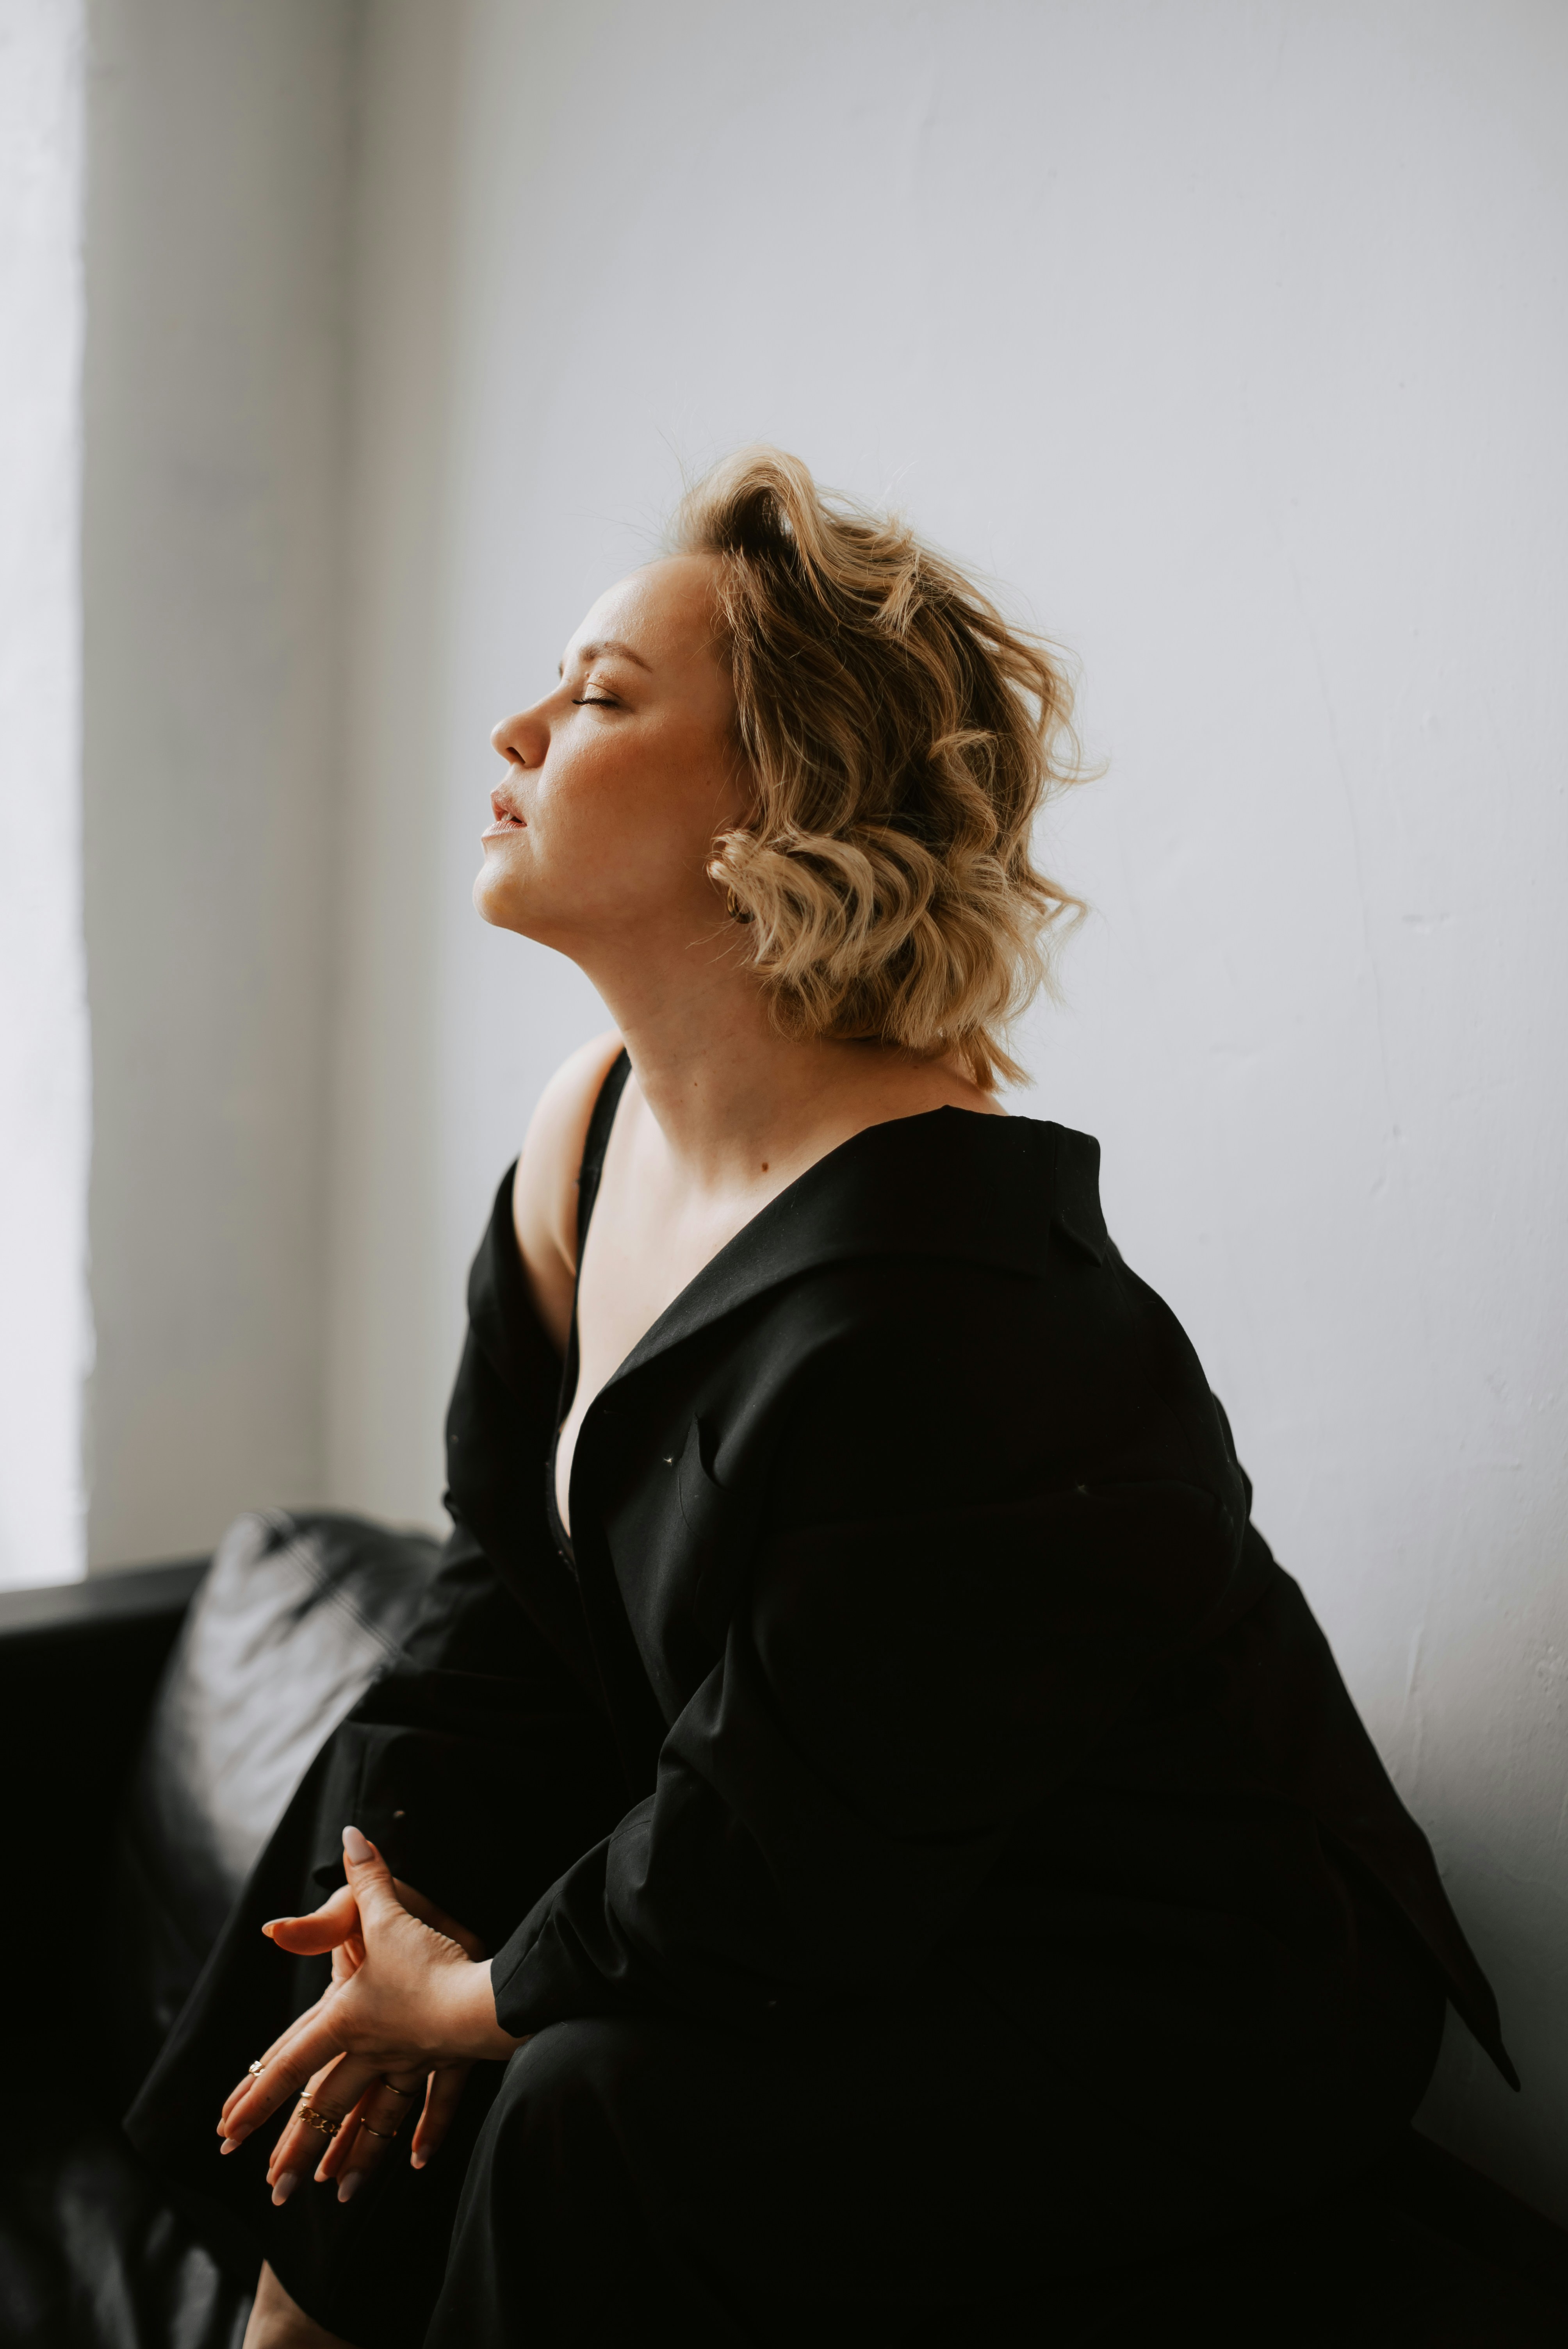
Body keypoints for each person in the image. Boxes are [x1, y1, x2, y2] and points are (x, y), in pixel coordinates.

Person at [130, 449, 1512, 2347]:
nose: (521, 725)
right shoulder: (585, 1128)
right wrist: (394, 1911)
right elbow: (510, 1594)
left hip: (1174, 1976)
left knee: (583, 2102)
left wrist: (471, 2000)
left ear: (780, 803)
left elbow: (783, 1839)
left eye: (602, 696)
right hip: (850, 1852)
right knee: (383, 1818)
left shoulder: (954, 1296)